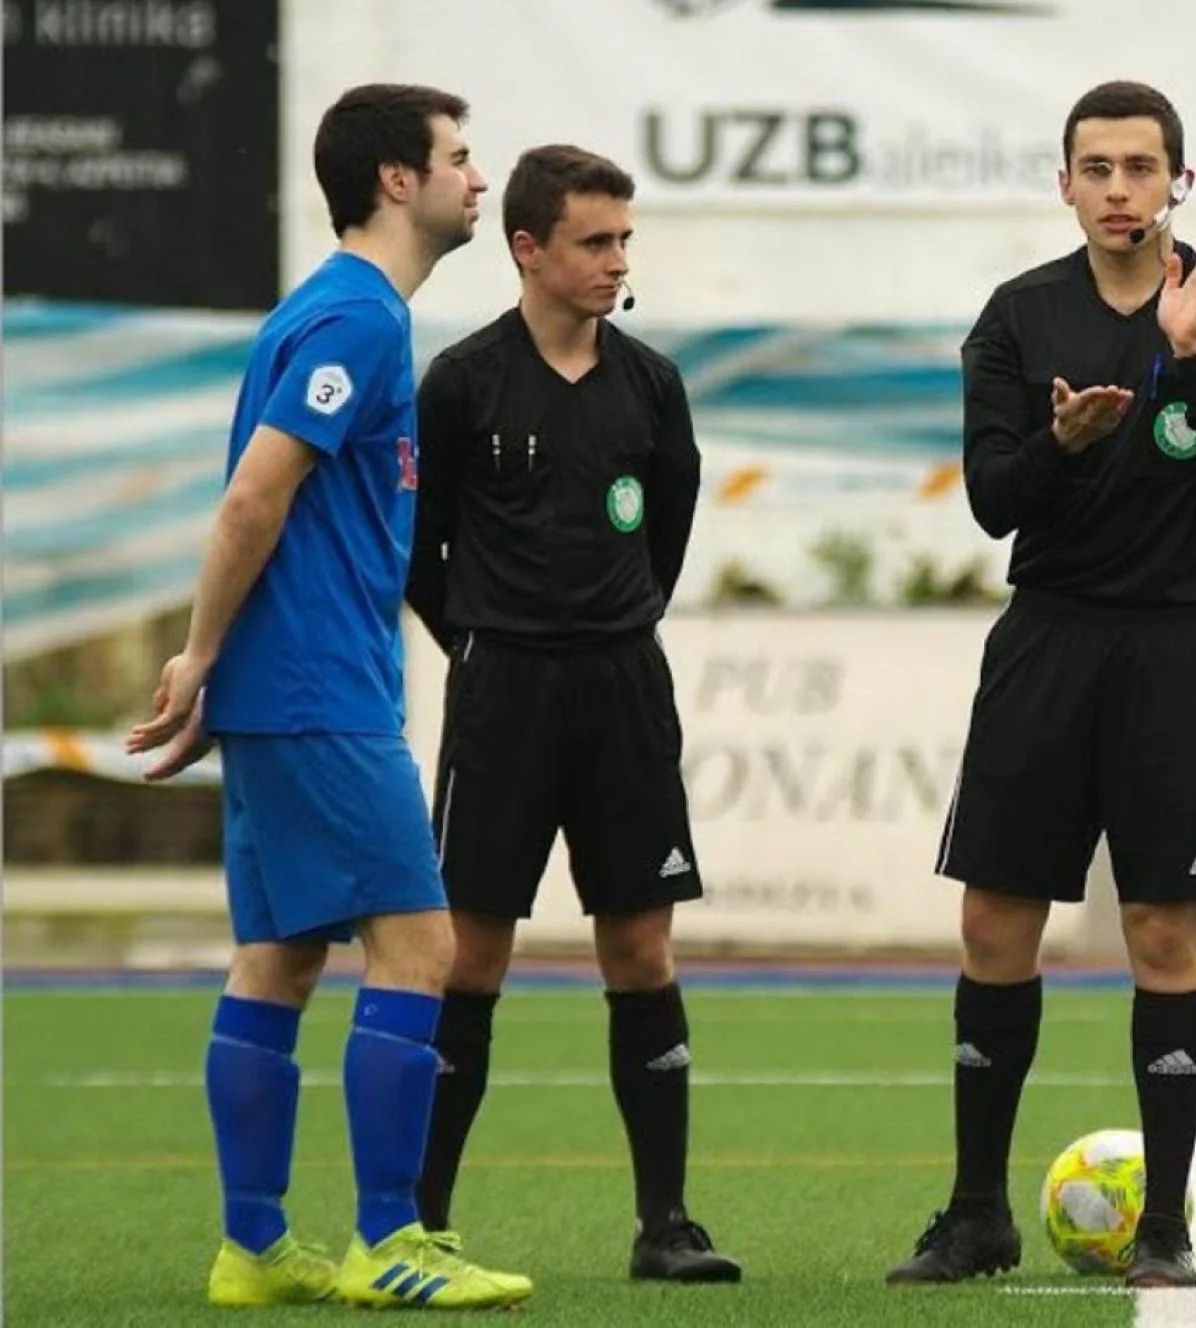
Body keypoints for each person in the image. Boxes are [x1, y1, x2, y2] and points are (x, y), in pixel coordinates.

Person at [882, 79, 1196, 1292]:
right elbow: (991, 499)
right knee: (992, 925)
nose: (1120, 189)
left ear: (1181, 179)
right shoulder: (1018, 318)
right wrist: (1060, 448)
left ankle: (1163, 1220)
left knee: (1164, 932)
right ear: (1062, 183)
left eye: (1141, 166)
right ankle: (976, 1213)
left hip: (1177, 646)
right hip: (1047, 640)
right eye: (1097, 167)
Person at [125, 84, 535, 1310]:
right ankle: (387, 1239)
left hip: (282, 687)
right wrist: (201, 654)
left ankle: (253, 1247)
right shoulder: (358, 318)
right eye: (461, 159)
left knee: (280, 957)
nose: (479, 177)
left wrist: (224, 668)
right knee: (423, 948)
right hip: (317, 692)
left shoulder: (321, 309)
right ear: (397, 182)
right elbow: (256, 495)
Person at [402, 144, 737, 1285]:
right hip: (503, 693)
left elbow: (668, 536)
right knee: (470, 952)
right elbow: (419, 547)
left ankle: (667, 1223)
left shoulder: (651, 386)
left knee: (640, 949)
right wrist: (489, 642)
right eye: (595, 241)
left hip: (623, 690)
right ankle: (423, 1216)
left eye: (625, 239)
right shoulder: (461, 381)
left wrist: (607, 623)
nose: (616, 260)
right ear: (528, 248)